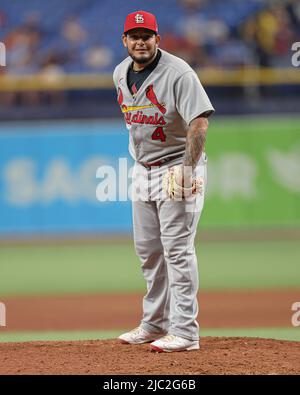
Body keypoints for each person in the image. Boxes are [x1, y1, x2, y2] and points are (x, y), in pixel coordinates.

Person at [113, 10, 214, 352]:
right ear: (124, 40)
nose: (140, 41)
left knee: (177, 250)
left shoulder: (179, 73)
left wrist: (188, 168)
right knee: (149, 251)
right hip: (143, 169)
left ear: (158, 39)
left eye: (147, 35)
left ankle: (185, 331)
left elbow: (199, 122)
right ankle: (155, 323)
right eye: (134, 36)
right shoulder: (119, 73)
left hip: (177, 166)